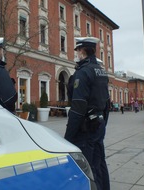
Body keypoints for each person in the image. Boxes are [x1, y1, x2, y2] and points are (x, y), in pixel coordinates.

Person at [64, 37, 110, 190]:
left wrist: (68, 137)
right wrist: (103, 123)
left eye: (77, 50)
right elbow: (107, 103)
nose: (77, 53)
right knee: (100, 163)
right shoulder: (101, 71)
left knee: (87, 167)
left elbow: (78, 107)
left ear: (82, 51)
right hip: (98, 124)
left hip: (86, 128)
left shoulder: (83, 73)